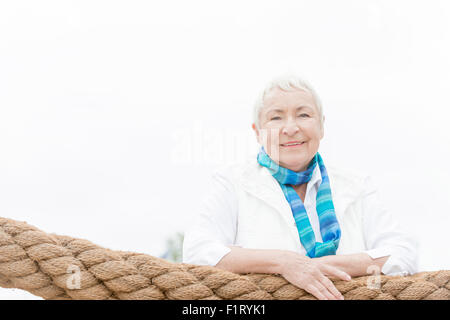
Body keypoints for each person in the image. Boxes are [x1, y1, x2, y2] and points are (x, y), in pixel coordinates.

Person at [182, 75, 419, 300]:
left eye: (303, 115)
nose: (291, 128)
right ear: (257, 131)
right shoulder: (232, 182)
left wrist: (323, 266)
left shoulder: (357, 186)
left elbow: (403, 253)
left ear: (322, 125)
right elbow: (198, 251)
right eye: (276, 118)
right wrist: (283, 262)